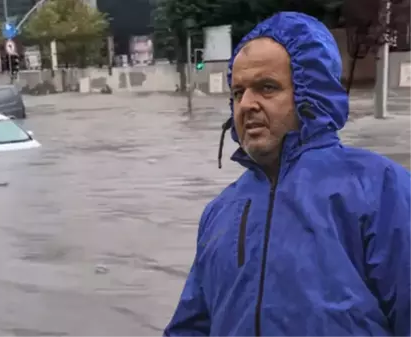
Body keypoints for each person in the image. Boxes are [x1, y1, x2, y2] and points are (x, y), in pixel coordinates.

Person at [164, 11, 411, 337]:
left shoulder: (382, 189)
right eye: (238, 93)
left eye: (266, 88)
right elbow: (191, 327)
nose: (246, 105)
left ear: (311, 96)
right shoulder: (220, 212)